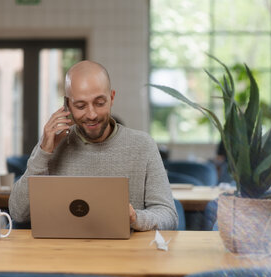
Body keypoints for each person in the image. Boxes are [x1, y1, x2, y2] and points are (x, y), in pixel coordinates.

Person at [9, 60, 178, 231]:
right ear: (67, 105)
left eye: (99, 103)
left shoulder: (143, 145)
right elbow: (18, 213)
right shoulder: (52, 144)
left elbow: (168, 216)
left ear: (111, 98)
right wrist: (43, 153)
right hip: (63, 253)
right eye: (80, 105)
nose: (91, 114)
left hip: (125, 254)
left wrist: (135, 218)